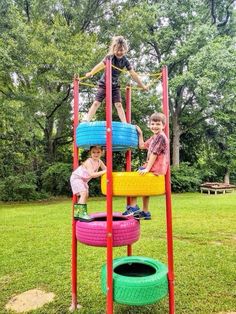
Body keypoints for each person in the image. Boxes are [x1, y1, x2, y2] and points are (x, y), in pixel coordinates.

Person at [84, 35, 148, 123]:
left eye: (121, 50)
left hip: (114, 85)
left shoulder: (125, 60)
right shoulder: (109, 57)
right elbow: (100, 65)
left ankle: (124, 123)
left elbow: (133, 74)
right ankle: (86, 120)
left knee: (118, 104)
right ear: (113, 49)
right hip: (104, 84)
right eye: (117, 50)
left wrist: (142, 86)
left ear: (125, 49)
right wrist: (91, 73)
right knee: (96, 103)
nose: (119, 52)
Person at [122, 112, 169, 220]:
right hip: (153, 166)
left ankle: (133, 207)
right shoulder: (154, 137)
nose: (155, 126)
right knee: (145, 187)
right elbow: (142, 146)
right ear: (149, 125)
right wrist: (140, 134)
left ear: (163, 126)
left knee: (134, 180)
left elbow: (154, 154)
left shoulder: (161, 137)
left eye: (158, 124)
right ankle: (145, 211)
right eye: (152, 124)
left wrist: (147, 168)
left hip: (155, 167)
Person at [70, 146, 106, 222]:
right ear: (90, 153)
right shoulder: (89, 161)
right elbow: (92, 174)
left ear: (102, 153)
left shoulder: (99, 161)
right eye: (93, 152)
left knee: (86, 195)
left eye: (98, 152)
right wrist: (104, 172)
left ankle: (78, 213)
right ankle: (82, 214)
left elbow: (106, 169)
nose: (96, 154)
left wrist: (108, 171)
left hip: (83, 180)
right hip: (77, 178)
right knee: (83, 193)